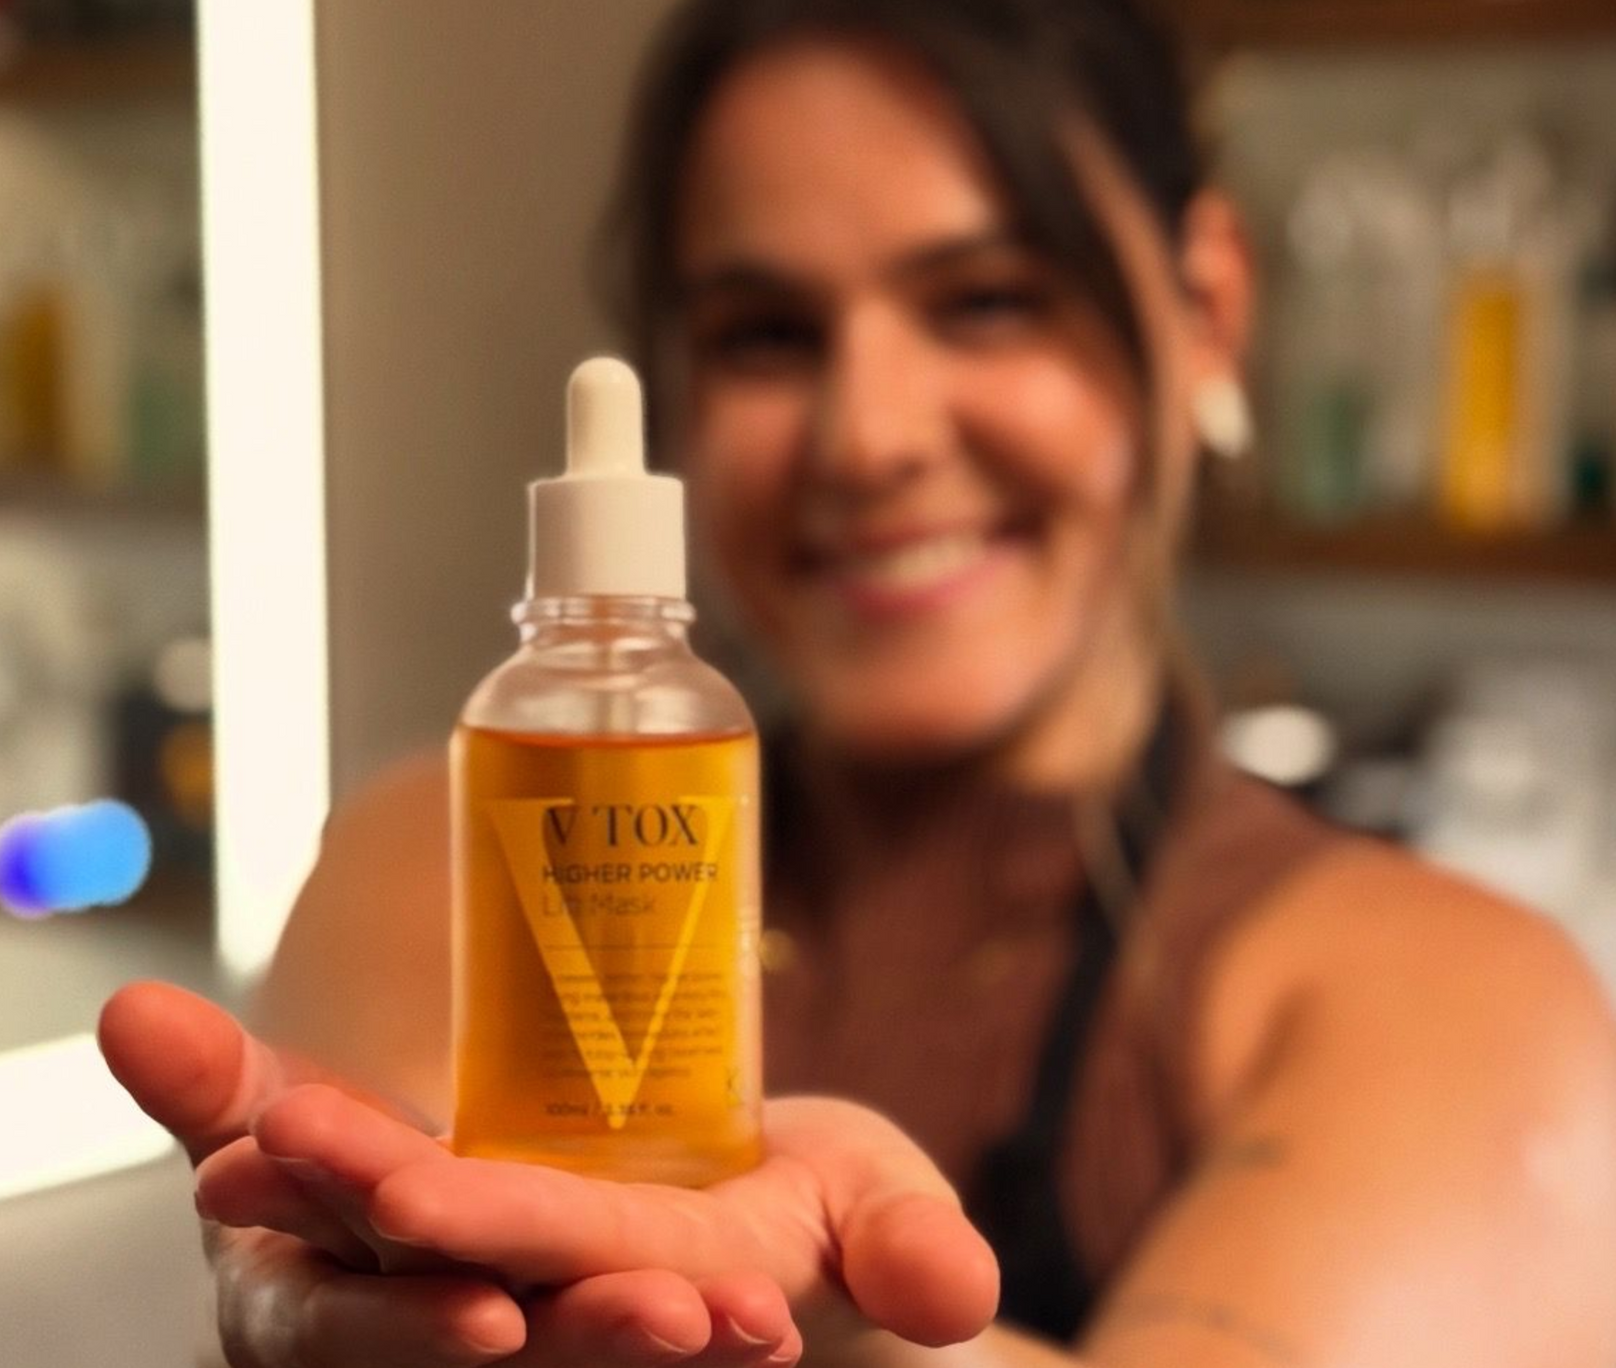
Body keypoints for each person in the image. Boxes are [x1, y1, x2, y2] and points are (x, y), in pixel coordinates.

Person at [97, 1, 1616, 1364]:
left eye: (987, 300)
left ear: (1205, 308)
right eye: (767, 334)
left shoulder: (1457, 1005)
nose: (870, 437)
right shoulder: (462, 857)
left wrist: (868, 1345)